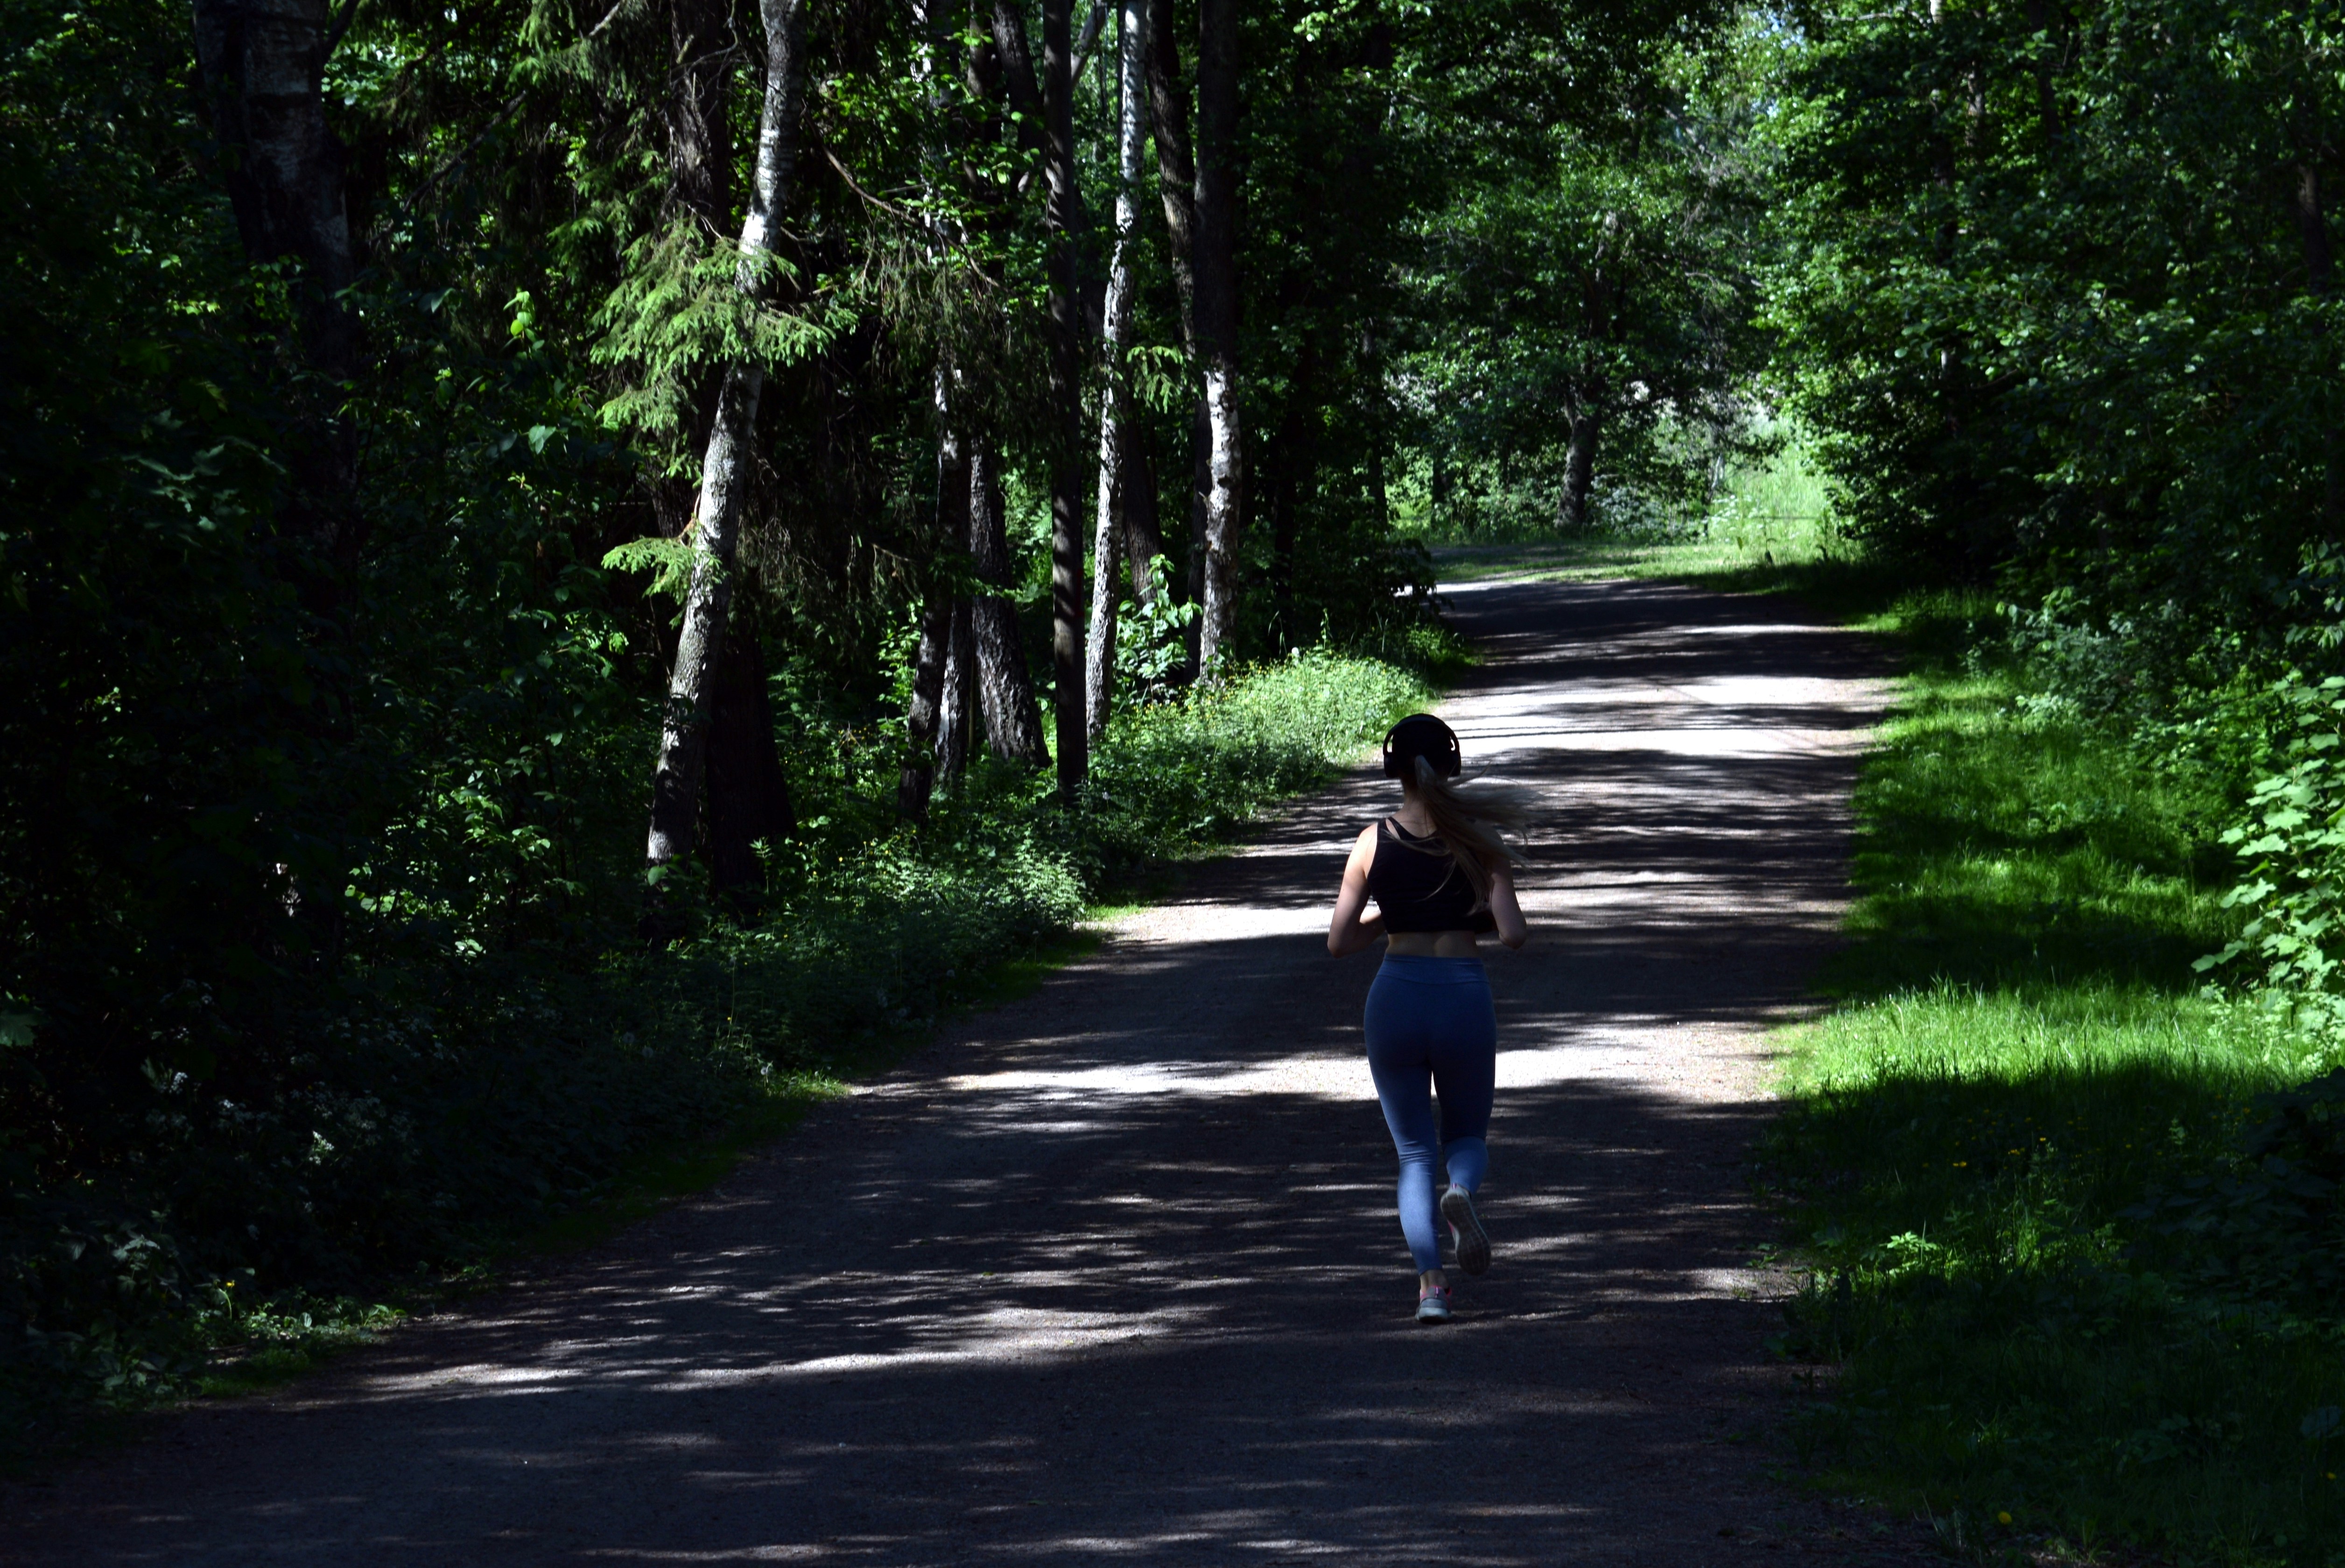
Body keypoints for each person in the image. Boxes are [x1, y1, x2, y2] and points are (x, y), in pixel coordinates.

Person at [1326, 713, 1529, 1323]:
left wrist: (1396, 915)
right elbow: (1515, 934)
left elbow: (1339, 943)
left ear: (1394, 767)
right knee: (1465, 1137)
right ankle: (1461, 1194)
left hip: (1396, 998)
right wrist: (1465, 917)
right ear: (1451, 764)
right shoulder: (1479, 840)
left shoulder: (1372, 840)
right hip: (1462, 996)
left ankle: (1431, 1292)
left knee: (1414, 1154)